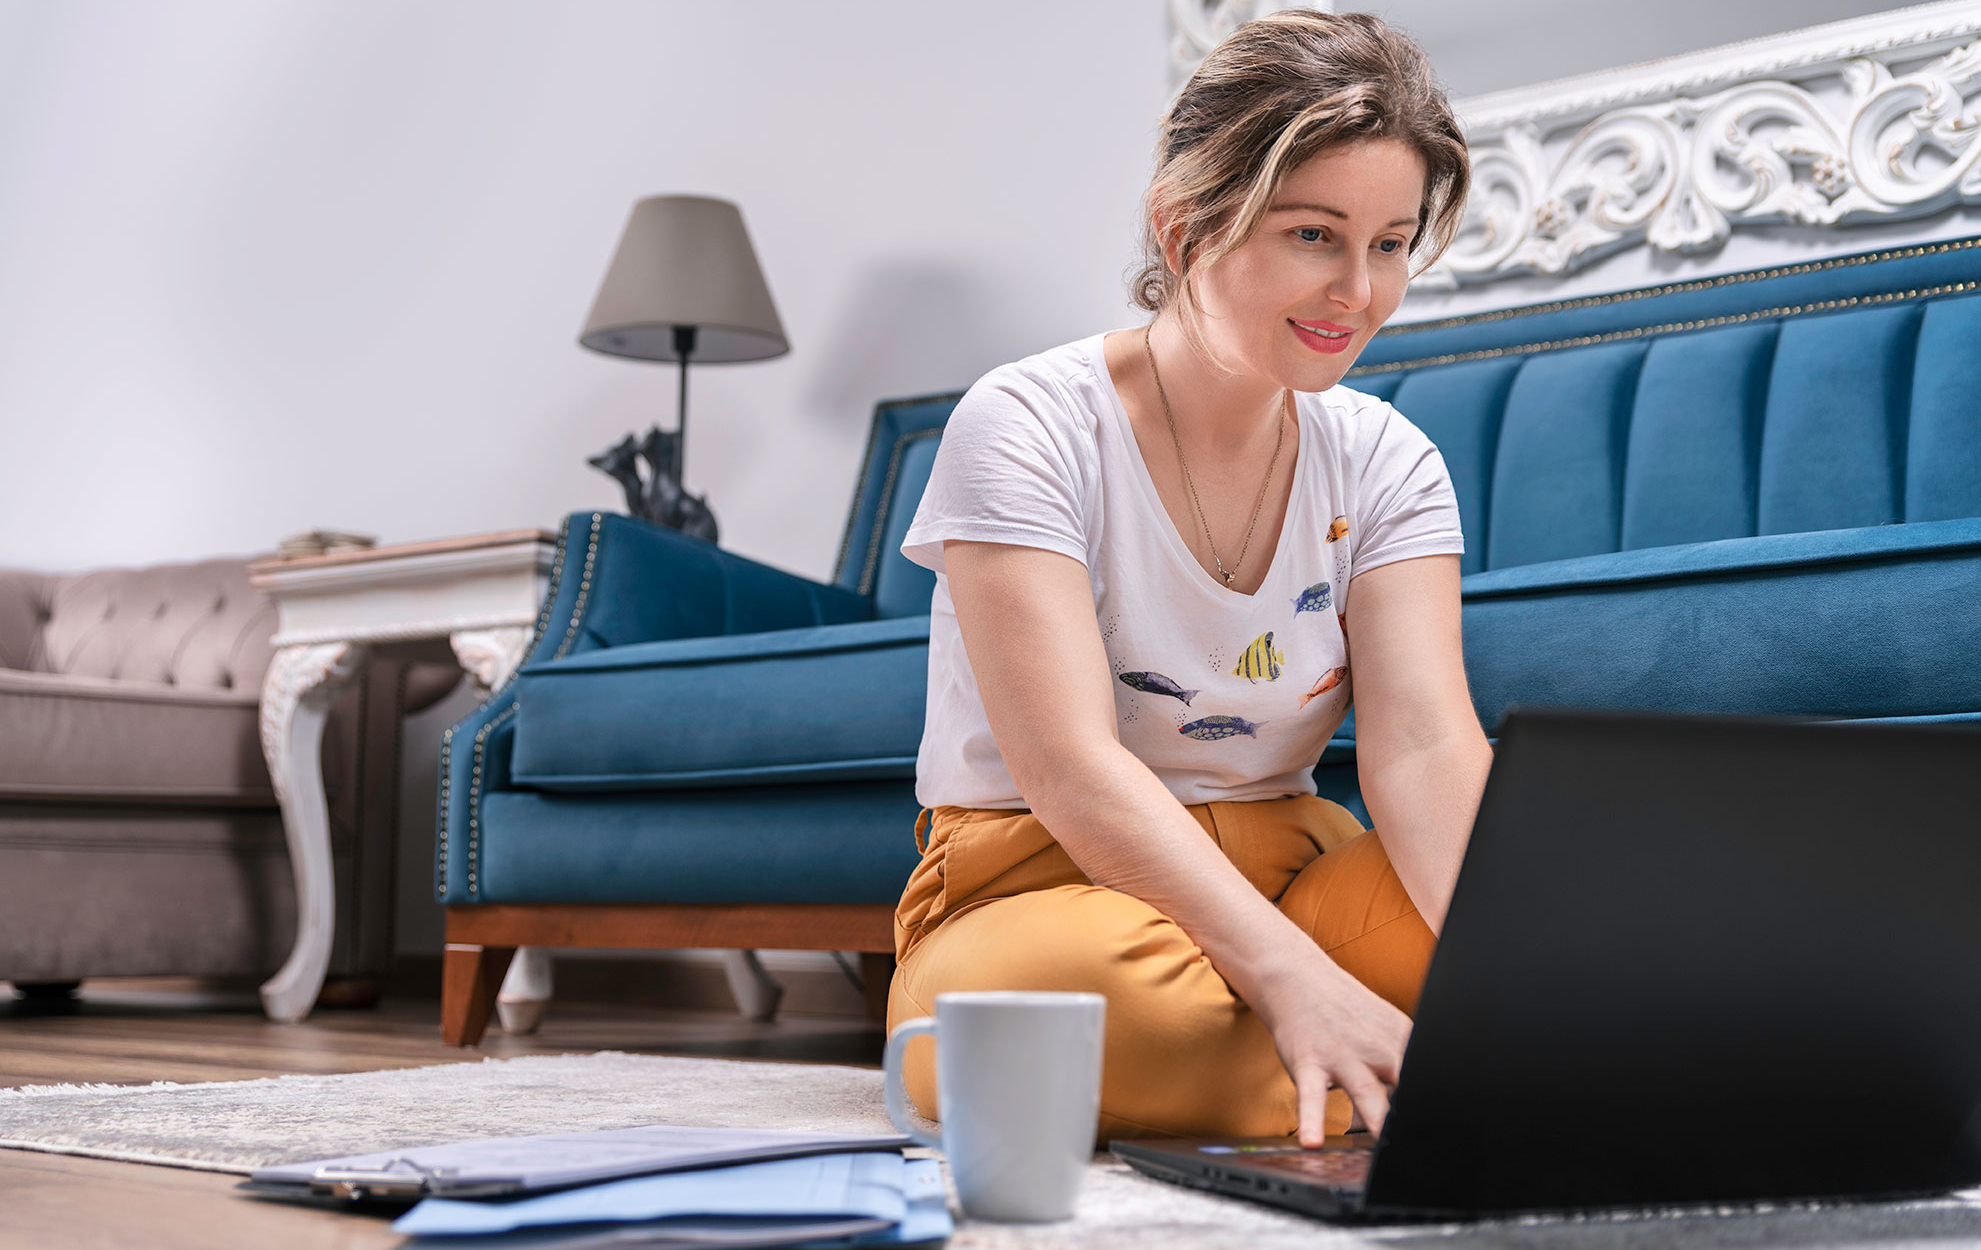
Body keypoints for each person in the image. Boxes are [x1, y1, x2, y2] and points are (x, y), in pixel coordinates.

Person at [887, 9, 1494, 1150]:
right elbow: (1068, 766)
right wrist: (1285, 973)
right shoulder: (1022, 424)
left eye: (1391, 243)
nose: (1355, 292)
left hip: (1291, 859)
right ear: (1182, 228)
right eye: (1314, 235)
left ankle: (1373, 1059)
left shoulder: (1387, 458)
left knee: (1523, 915)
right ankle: (1412, 1074)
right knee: (1114, 1012)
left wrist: (1520, 964)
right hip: (1039, 876)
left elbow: (1423, 747)